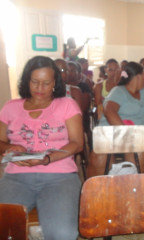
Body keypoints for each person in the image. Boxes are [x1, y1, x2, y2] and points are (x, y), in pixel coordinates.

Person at [0, 56, 83, 239]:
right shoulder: (10, 107)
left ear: (55, 82)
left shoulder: (66, 105)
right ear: (26, 81)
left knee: (63, 233)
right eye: (35, 82)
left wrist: (47, 158)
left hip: (60, 177)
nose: (40, 88)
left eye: (46, 83)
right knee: (4, 227)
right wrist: (10, 146)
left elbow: (78, 143)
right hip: (16, 177)